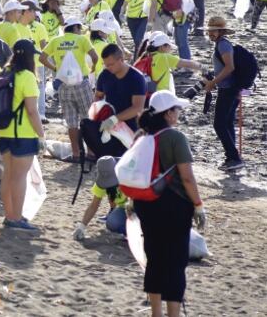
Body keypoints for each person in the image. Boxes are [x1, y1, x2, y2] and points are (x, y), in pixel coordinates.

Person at [132, 90, 206, 317]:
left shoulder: (141, 136)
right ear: (168, 114)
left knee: (154, 257)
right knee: (175, 261)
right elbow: (186, 177)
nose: (179, 113)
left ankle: (156, 312)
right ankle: (173, 313)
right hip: (174, 206)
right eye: (176, 109)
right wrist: (198, 205)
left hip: (145, 203)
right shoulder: (175, 138)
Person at [0, 39, 45, 230]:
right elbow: (32, 111)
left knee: (7, 175)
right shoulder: (26, 76)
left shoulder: (4, 72)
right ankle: (16, 218)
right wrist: (41, 135)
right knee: (19, 178)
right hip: (23, 133)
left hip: (4, 130)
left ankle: (9, 215)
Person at [40, 18, 99, 162]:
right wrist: (93, 67)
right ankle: (91, 152)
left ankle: (76, 154)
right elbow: (95, 56)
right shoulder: (81, 39)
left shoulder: (55, 40)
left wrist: (55, 68)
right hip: (81, 83)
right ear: (76, 28)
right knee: (88, 119)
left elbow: (42, 58)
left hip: (64, 85)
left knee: (71, 122)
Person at [202, 16, 243, 171]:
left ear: (221, 31)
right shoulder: (222, 44)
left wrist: (212, 83)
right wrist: (212, 75)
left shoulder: (223, 45)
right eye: (209, 31)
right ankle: (232, 157)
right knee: (226, 123)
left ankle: (233, 157)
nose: (211, 34)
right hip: (231, 88)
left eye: (214, 31)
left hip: (228, 90)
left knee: (219, 124)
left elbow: (230, 67)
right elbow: (224, 68)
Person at [94, 44, 147, 132]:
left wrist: (115, 119)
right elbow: (98, 96)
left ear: (121, 59)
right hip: (109, 127)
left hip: (131, 128)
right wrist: (98, 111)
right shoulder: (104, 75)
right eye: (106, 64)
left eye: (111, 64)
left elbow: (137, 107)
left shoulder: (137, 78)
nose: (108, 67)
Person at [73, 156, 128, 240]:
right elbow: (93, 206)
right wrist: (82, 227)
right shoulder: (102, 182)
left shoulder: (130, 175)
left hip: (141, 207)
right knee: (112, 222)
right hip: (125, 209)